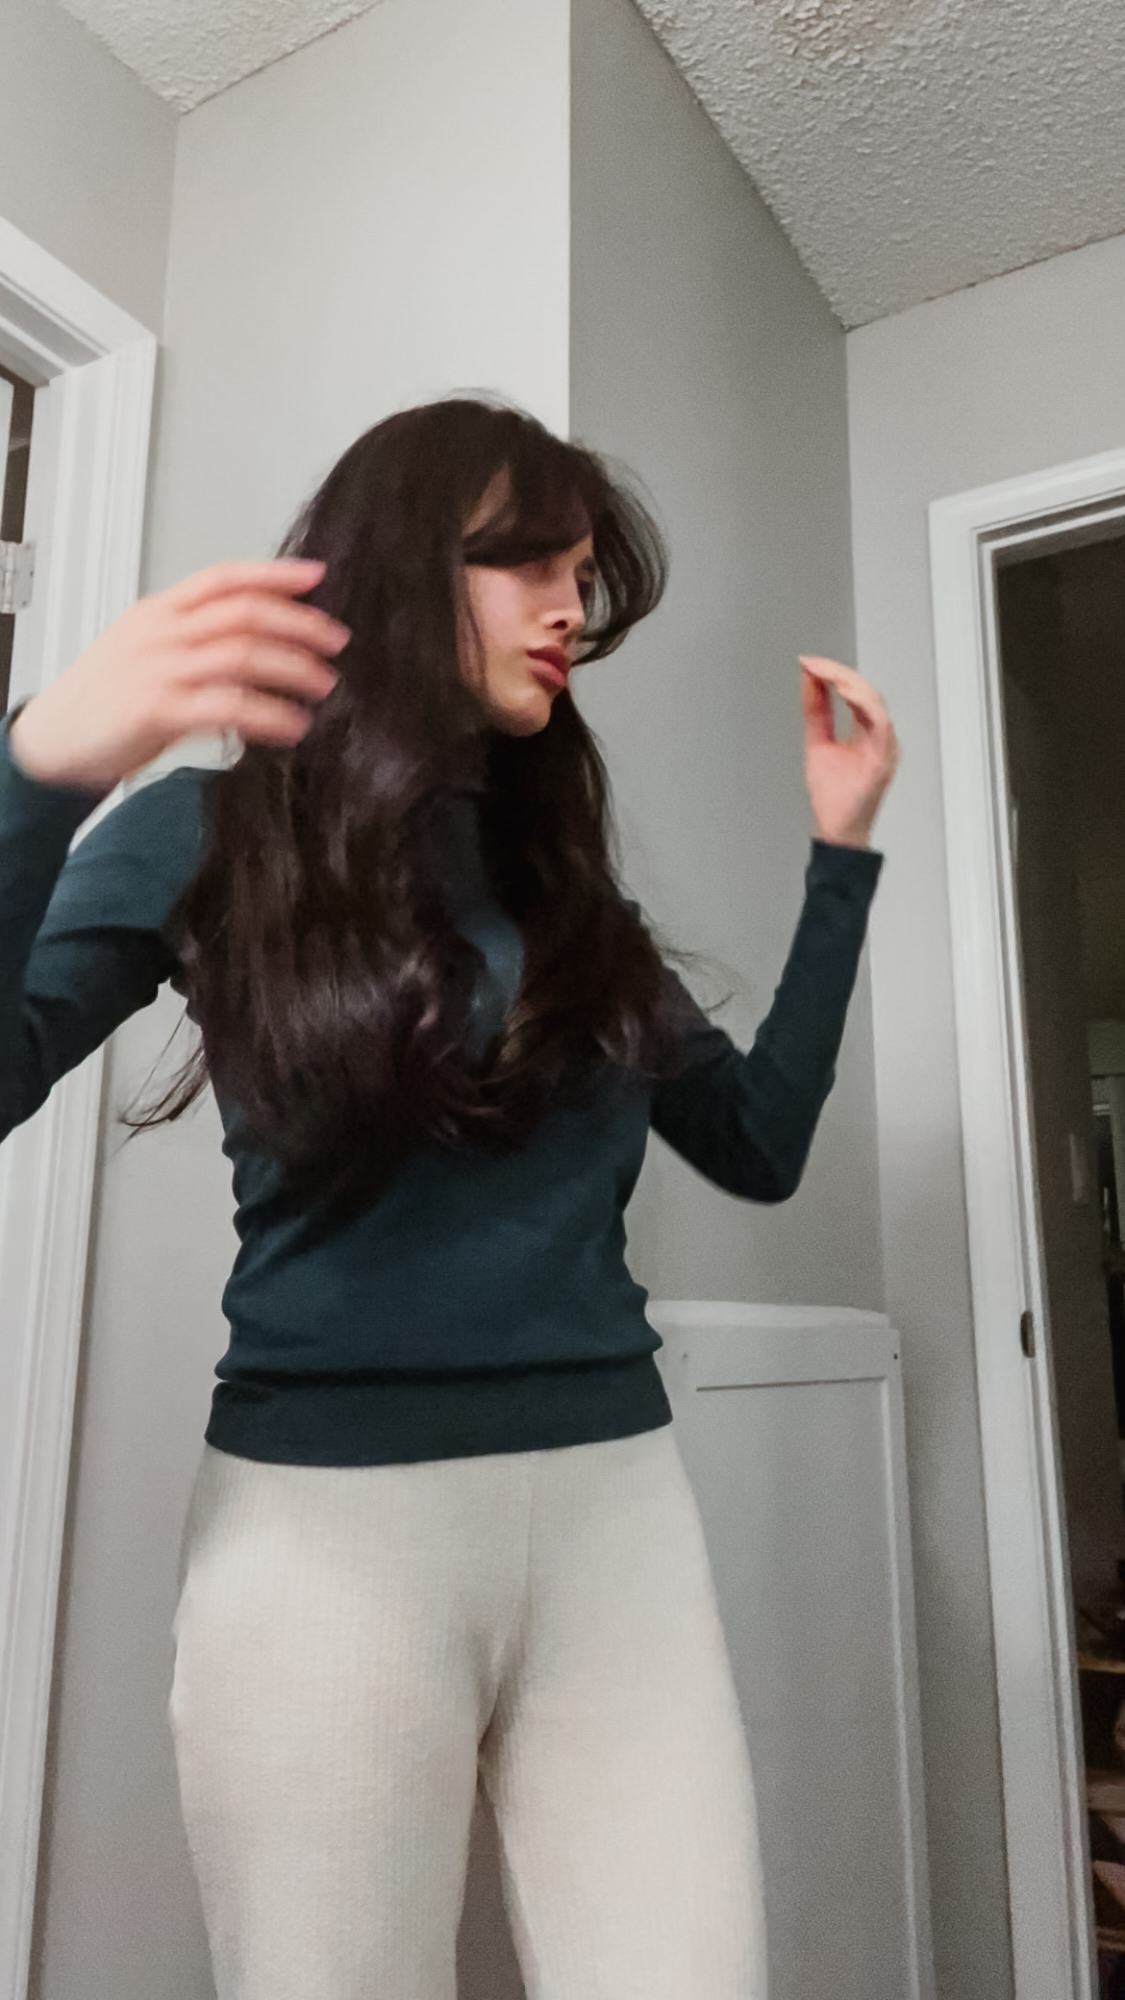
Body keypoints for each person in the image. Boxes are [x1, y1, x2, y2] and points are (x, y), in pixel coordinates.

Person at [0, 397, 896, 2000]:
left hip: (618, 1515)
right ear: (403, 569)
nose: (567, 608)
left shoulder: (568, 896)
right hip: (323, 1542)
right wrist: (37, 780)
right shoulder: (207, 832)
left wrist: (841, 857)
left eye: (579, 574)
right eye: (523, 562)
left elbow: (755, 1143)